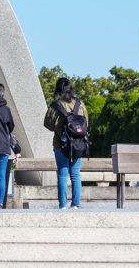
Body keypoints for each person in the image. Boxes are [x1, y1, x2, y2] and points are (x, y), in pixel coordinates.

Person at [44, 77, 88, 209]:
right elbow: (86, 124)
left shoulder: (55, 106)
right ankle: (76, 204)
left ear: (58, 89)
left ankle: (63, 205)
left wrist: (59, 127)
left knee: (63, 174)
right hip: (78, 144)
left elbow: (47, 124)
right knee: (75, 174)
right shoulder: (80, 104)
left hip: (60, 143)